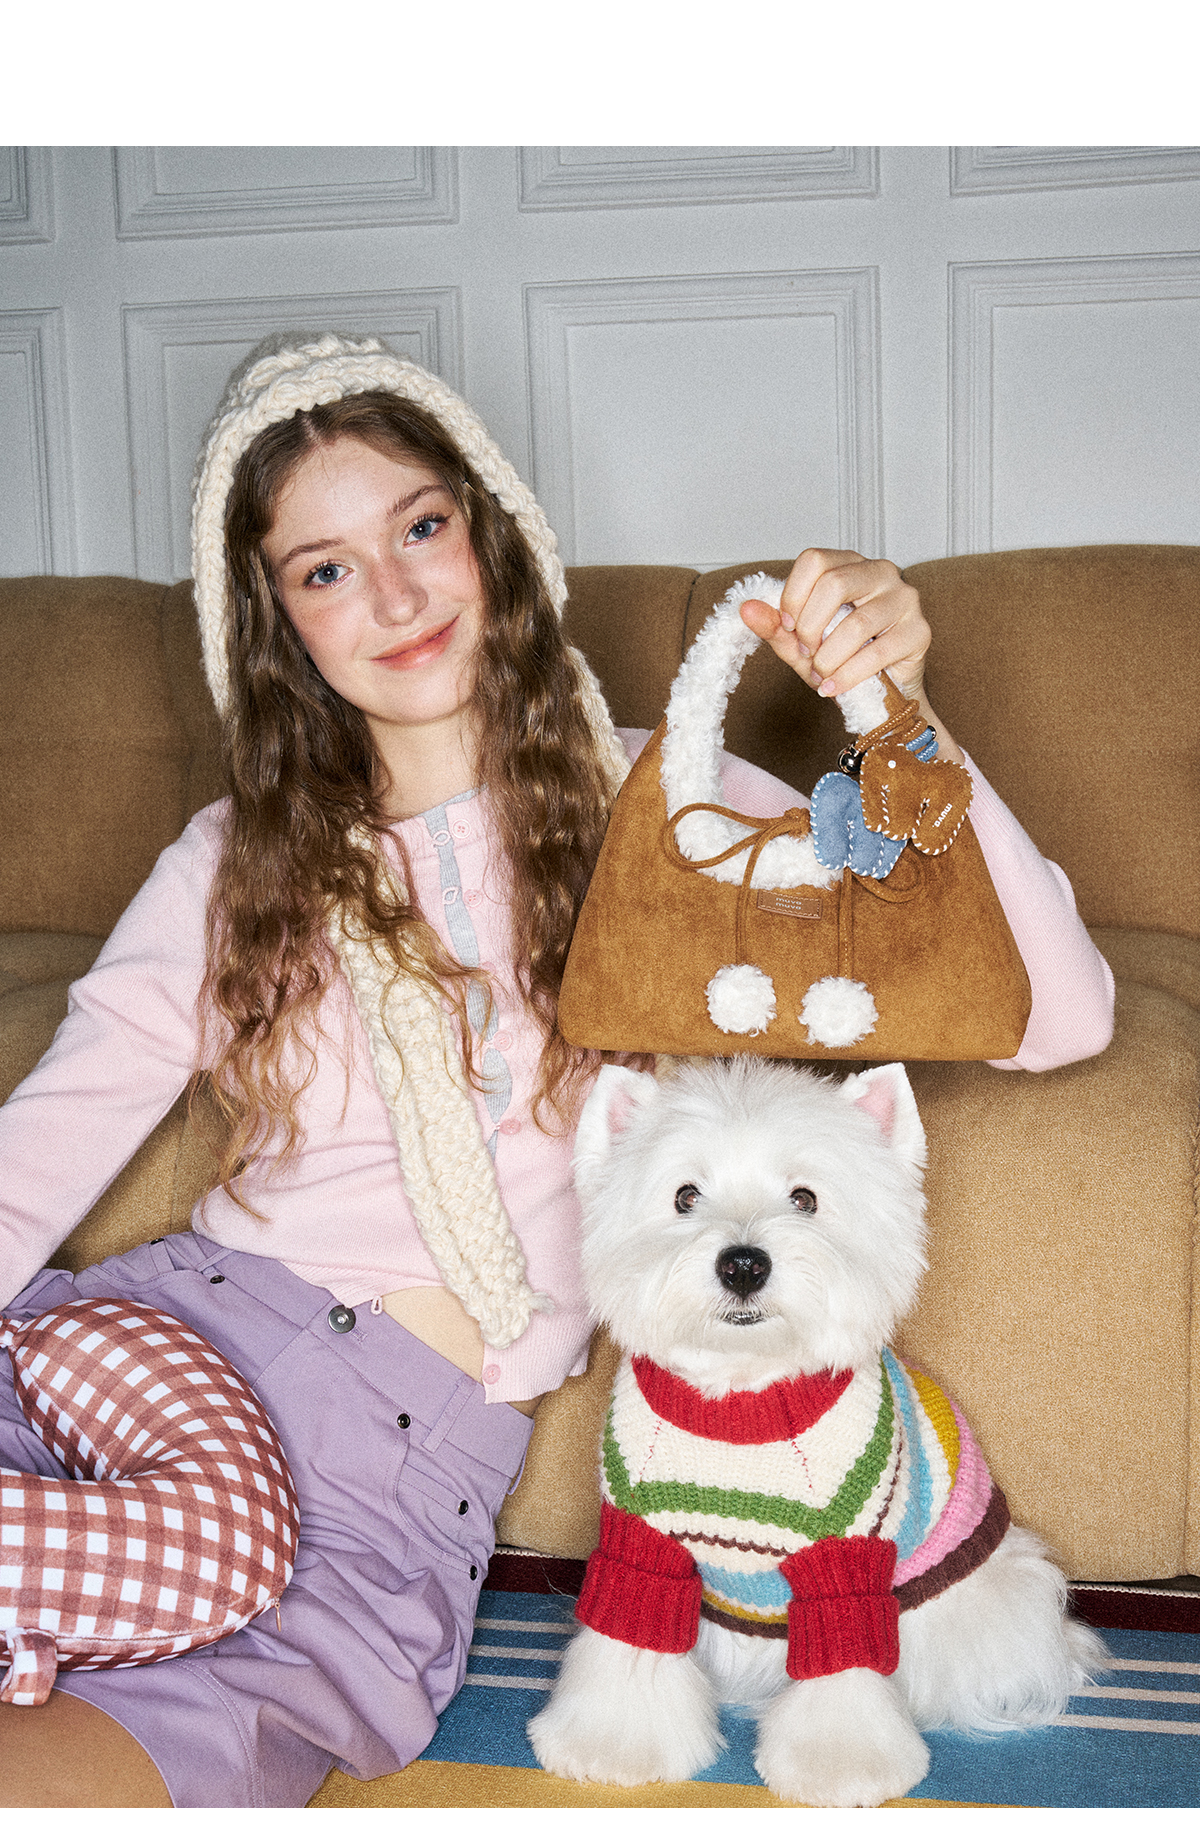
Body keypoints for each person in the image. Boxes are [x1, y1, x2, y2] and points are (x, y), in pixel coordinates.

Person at [0, 334, 1114, 1807]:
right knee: (175, 1553)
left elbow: (1056, 1012)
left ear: (490, 532)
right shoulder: (229, 861)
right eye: (325, 569)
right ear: (275, 627)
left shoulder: (677, 810)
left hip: (386, 1484)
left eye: (419, 527)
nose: (395, 595)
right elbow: (47, 1140)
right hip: (153, 1364)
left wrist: (896, 703)